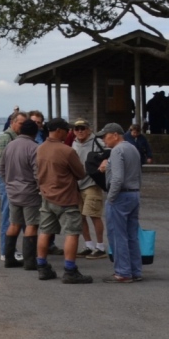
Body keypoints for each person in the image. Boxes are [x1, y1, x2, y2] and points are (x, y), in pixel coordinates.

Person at [34, 119, 92, 283]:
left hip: (47, 195)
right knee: (72, 233)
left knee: (45, 231)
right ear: (59, 130)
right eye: (67, 130)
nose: (69, 133)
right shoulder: (67, 151)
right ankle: (70, 270)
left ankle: (42, 266)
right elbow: (80, 173)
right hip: (66, 197)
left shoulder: (40, 149)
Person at [99, 123, 143, 283]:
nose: (104, 140)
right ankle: (135, 270)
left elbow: (117, 178)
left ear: (115, 135)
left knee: (118, 235)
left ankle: (123, 272)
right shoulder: (132, 148)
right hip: (134, 193)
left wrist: (110, 198)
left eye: (105, 136)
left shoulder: (117, 150)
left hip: (121, 195)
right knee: (132, 235)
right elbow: (138, 173)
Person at [2, 118, 43, 270]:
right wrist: (40, 188)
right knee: (31, 225)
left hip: (12, 191)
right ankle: (30, 261)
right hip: (30, 192)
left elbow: (2, 168)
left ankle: (9, 258)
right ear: (35, 132)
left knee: (14, 224)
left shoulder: (10, 145)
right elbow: (37, 172)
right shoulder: (35, 147)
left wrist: (9, 183)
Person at [72, 120, 109, 257]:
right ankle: (89, 245)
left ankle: (100, 247)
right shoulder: (74, 143)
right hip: (78, 185)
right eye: (77, 128)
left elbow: (110, 153)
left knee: (94, 215)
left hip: (92, 184)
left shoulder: (97, 142)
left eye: (83, 128)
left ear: (89, 129)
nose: (80, 131)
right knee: (80, 216)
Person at [0, 112, 23, 263]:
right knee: (7, 215)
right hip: (7, 182)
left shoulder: (18, 137)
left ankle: (12, 250)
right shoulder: (5, 138)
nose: (22, 126)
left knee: (17, 217)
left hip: (15, 182)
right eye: (20, 123)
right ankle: (5, 251)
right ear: (12, 122)